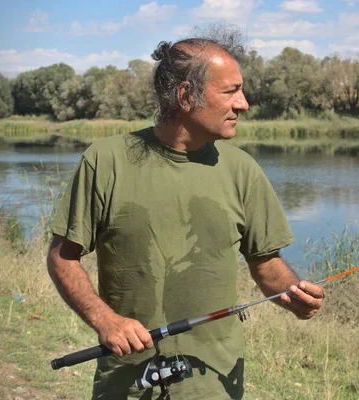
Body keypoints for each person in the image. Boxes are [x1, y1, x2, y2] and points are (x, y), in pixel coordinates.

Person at [47, 36, 325, 400]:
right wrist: (106, 321)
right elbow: (61, 257)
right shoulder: (105, 161)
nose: (243, 104)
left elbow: (267, 265)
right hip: (125, 386)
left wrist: (292, 293)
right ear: (185, 96)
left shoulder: (243, 171)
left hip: (215, 385)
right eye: (231, 91)